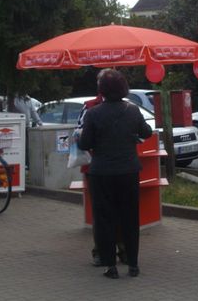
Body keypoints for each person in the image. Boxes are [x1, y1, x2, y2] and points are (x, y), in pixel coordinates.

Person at [79, 69, 152, 279]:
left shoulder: (93, 113)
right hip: (128, 171)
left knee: (104, 219)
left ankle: (110, 266)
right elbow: (146, 132)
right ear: (123, 88)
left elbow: (85, 143)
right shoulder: (132, 110)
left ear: (101, 89)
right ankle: (133, 265)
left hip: (101, 173)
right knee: (130, 217)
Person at [77, 90, 127, 268]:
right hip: (103, 168)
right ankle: (105, 251)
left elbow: (82, 139)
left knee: (109, 212)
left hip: (103, 167)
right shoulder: (91, 107)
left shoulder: (124, 107)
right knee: (106, 212)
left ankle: (114, 251)